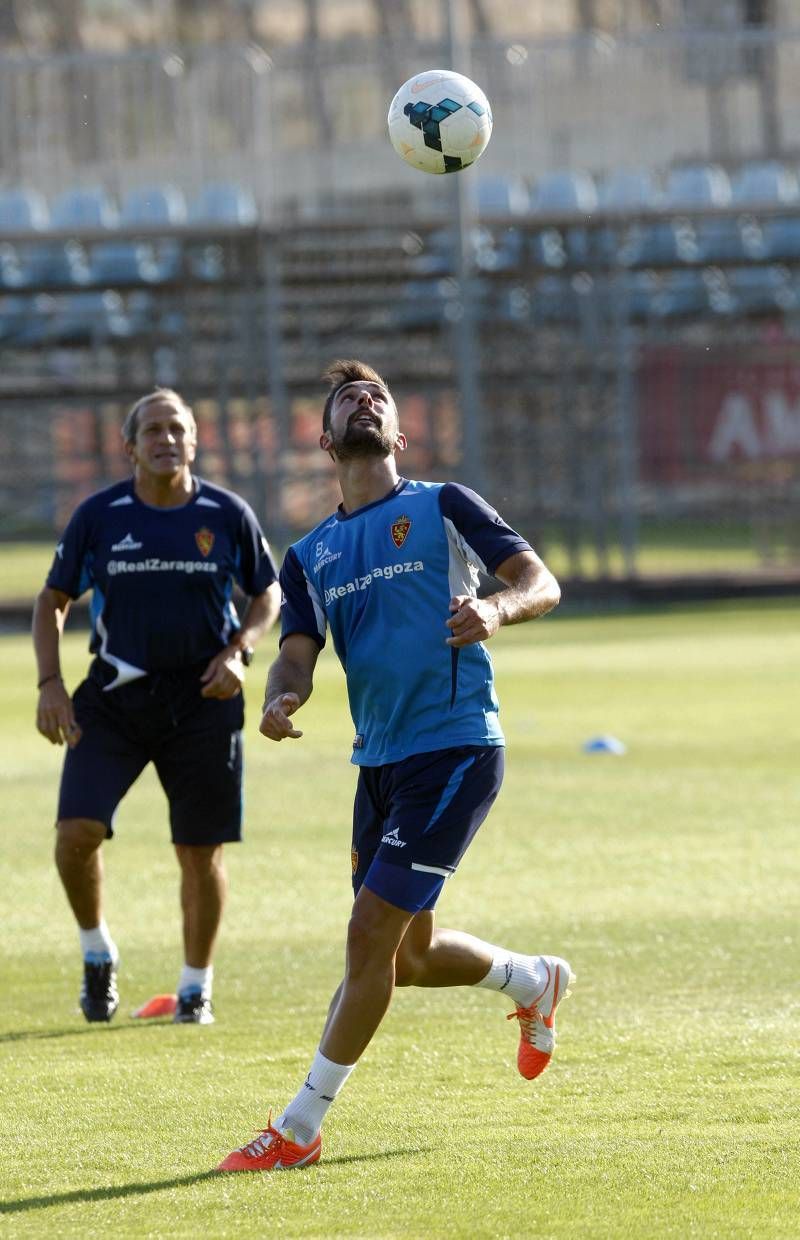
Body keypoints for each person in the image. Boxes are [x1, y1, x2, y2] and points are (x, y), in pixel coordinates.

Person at [217, 359, 573, 1172]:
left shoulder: (443, 505)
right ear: (324, 438)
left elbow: (540, 581)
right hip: (377, 765)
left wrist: (495, 606)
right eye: (347, 399)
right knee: (406, 958)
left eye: (376, 396)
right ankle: (533, 980)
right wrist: (280, 698)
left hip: (456, 747)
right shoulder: (309, 555)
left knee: (366, 935)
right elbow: (297, 654)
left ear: (399, 433)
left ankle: (298, 1129)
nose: (363, 402)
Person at [33, 387, 281, 1025]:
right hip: (115, 696)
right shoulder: (101, 515)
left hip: (203, 699)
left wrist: (240, 651)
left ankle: (195, 988)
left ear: (195, 441)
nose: (166, 439)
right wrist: (51, 685)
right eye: (153, 430)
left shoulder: (226, 514)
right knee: (74, 836)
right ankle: (96, 952)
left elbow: (267, 594)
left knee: (200, 851)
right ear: (129, 446)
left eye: (178, 429)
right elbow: (53, 599)